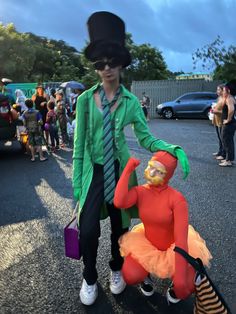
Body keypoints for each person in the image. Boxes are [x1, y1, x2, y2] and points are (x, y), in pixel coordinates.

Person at [72, 11, 189, 306]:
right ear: (95, 67)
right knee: (87, 229)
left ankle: (115, 269)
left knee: (119, 226)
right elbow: (78, 150)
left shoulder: (131, 102)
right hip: (94, 171)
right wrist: (77, 190)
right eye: (100, 63)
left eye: (112, 61)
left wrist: (171, 148)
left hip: (121, 171)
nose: (107, 68)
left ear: (121, 63)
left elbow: (146, 139)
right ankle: (88, 276)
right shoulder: (85, 101)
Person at [114, 152, 212, 301]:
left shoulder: (177, 199)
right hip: (147, 244)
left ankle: (174, 285)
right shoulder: (141, 191)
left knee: (188, 284)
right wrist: (127, 170)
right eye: (150, 166)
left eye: (158, 171)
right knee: (130, 275)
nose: (151, 173)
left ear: (167, 175)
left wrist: (180, 280)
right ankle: (145, 276)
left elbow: (181, 240)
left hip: (173, 248)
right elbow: (119, 202)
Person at [218, 85, 236, 167]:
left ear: (228, 91)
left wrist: (228, 119)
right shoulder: (230, 98)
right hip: (230, 124)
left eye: (224, 90)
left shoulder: (229, 98)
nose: (223, 92)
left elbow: (231, 109)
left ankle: (228, 160)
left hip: (229, 124)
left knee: (226, 141)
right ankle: (230, 159)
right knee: (229, 141)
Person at [212, 85, 225, 159]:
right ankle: (220, 151)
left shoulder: (225, 99)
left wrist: (216, 111)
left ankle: (223, 154)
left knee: (222, 138)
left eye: (219, 90)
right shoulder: (219, 98)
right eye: (217, 90)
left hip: (221, 120)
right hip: (216, 120)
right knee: (219, 137)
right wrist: (214, 108)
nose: (217, 91)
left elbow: (225, 111)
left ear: (223, 90)